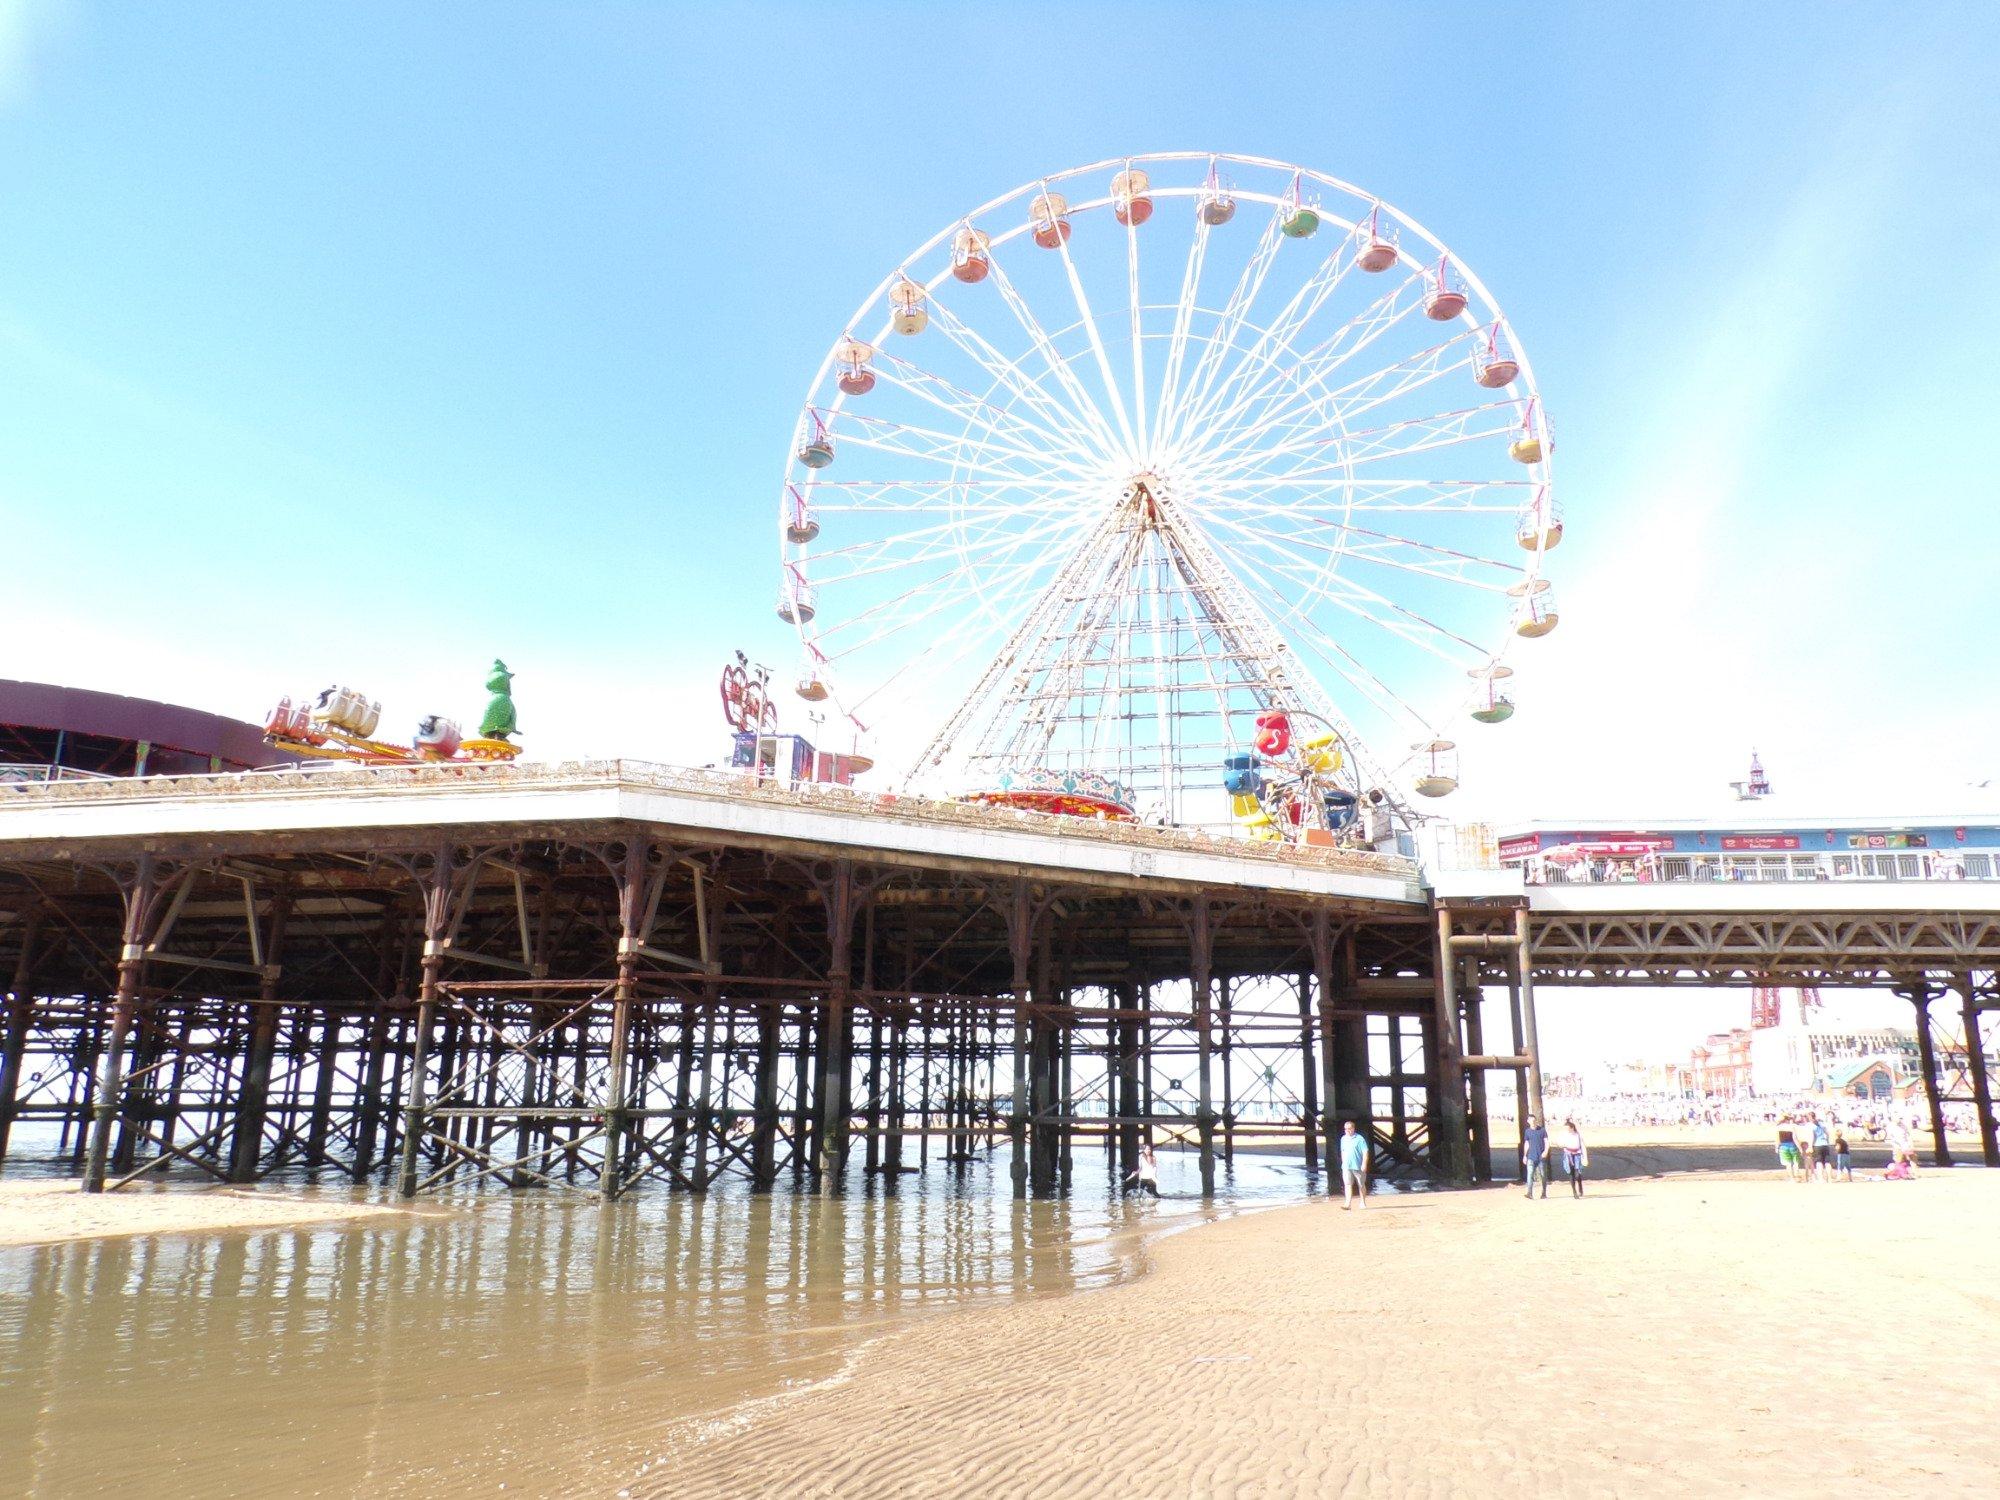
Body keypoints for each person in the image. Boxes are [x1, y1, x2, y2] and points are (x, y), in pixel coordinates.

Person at [1338, 1119, 1370, 1210]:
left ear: (1353, 1128)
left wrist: (1364, 1164)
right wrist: (1343, 1163)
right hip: (1346, 1166)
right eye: (1345, 1129)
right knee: (1347, 1184)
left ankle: (1363, 1202)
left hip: (1358, 1165)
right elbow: (1343, 1151)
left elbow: (1365, 1152)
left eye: (1349, 1128)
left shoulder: (1359, 1139)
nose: (1347, 1130)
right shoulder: (1343, 1139)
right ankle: (1347, 1204)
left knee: (1361, 1184)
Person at [1522, 1115, 1549, 1200]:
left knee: (1543, 1175)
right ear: (1528, 1121)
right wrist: (1525, 1156)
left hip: (1541, 1156)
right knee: (1529, 1175)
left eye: (1534, 1120)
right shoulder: (1527, 1132)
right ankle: (1529, 1193)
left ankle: (1544, 1193)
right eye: (1531, 1120)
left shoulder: (1542, 1130)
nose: (1533, 1122)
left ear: (1536, 1120)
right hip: (1531, 1156)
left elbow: (1546, 1142)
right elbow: (1526, 1144)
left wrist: (1545, 1151)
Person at [1560, 1118, 1587, 1197]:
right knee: (1571, 1173)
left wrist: (1585, 1157)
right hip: (1568, 1155)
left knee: (1578, 1173)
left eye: (1568, 1128)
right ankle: (1574, 1191)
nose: (1567, 1130)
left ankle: (1580, 1186)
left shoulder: (1578, 1135)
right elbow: (1561, 1143)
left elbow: (1583, 1146)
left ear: (1572, 1128)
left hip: (1577, 1154)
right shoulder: (1565, 1135)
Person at [1810, 1115, 1833, 1182]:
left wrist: (1811, 1146)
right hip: (1825, 1144)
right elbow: (1827, 1134)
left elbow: (1813, 1137)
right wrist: (1827, 1141)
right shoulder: (1822, 1125)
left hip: (1817, 1145)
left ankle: (1821, 1178)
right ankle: (1829, 1178)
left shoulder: (1812, 1126)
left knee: (1818, 1162)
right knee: (1827, 1162)